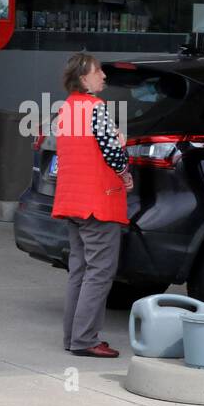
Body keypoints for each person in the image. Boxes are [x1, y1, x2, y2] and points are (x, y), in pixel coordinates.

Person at [51, 52, 133, 357]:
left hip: (71, 202)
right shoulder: (96, 109)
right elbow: (112, 154)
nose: (104, 76)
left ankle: (72, 337)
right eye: (99, 72)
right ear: (84, 78)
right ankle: (85, 340)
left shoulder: (67, 110)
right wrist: (125, 169)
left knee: (79, 271)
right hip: (98, 203)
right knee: (99, 272)